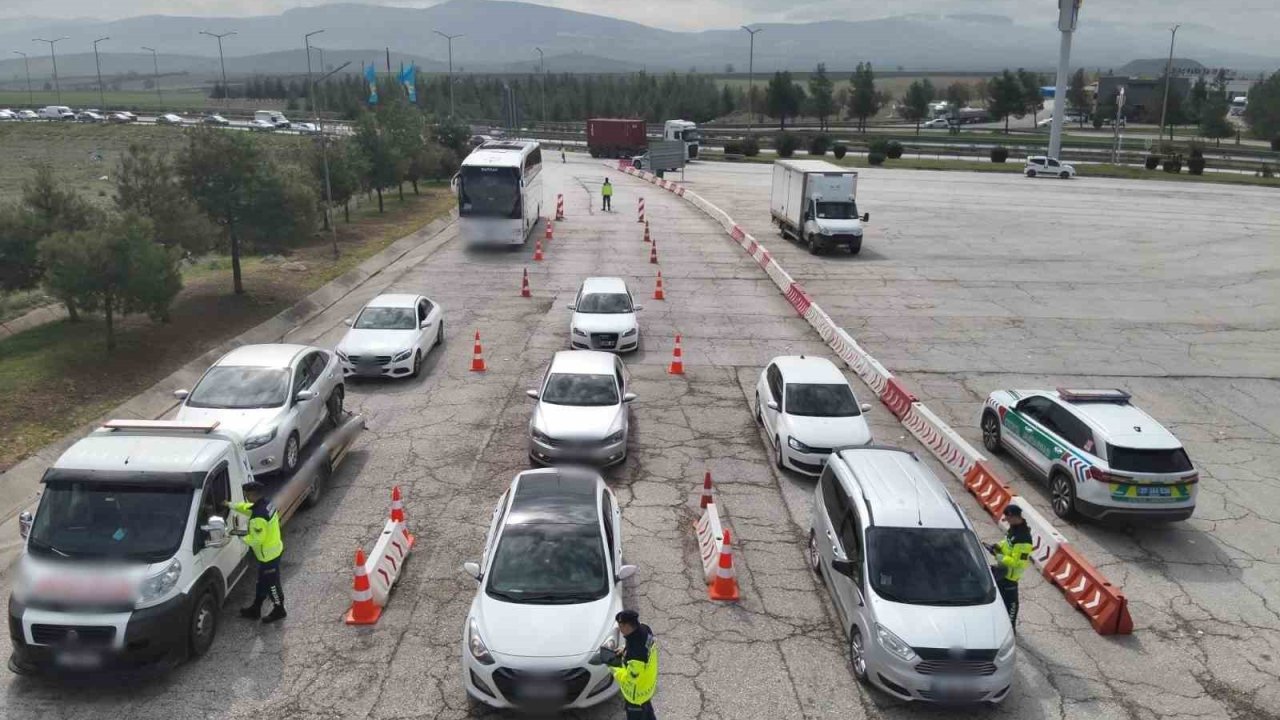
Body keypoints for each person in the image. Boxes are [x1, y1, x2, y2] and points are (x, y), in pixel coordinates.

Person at [228, 481, 287, 623]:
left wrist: (240, 535)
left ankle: (279, 610)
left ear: (251, 495)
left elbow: (255, 540)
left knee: (272, 585)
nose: (246, 497)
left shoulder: (258, 518)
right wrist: (230, 505)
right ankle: (256, 608)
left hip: (268, 556)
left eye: (246, 494)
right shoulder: (266, 503)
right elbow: (248, 508)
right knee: (262, 582)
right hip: (273, 550)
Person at [987, 504, 1033, 629]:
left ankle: (1010, 630)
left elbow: (1018, 563)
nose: (1005, 520)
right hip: (1002, 571)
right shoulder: (1014, 528)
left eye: (1007, 518)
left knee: (1010, 608)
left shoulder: (1024, 539)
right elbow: (1007, 542)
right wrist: (997, 546)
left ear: (1013, 517)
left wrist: (998, 556)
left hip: (1010, 578)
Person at [607, 609, 658, 719]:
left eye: (620, 626)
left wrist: (613, 667)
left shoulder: (635, 655)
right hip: (647, 685)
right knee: (648, 713)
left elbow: (630, 679)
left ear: (626, 626)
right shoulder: (644, 628)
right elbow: (635, 643)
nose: (619, 629)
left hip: (637, 695)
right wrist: (624, 649)